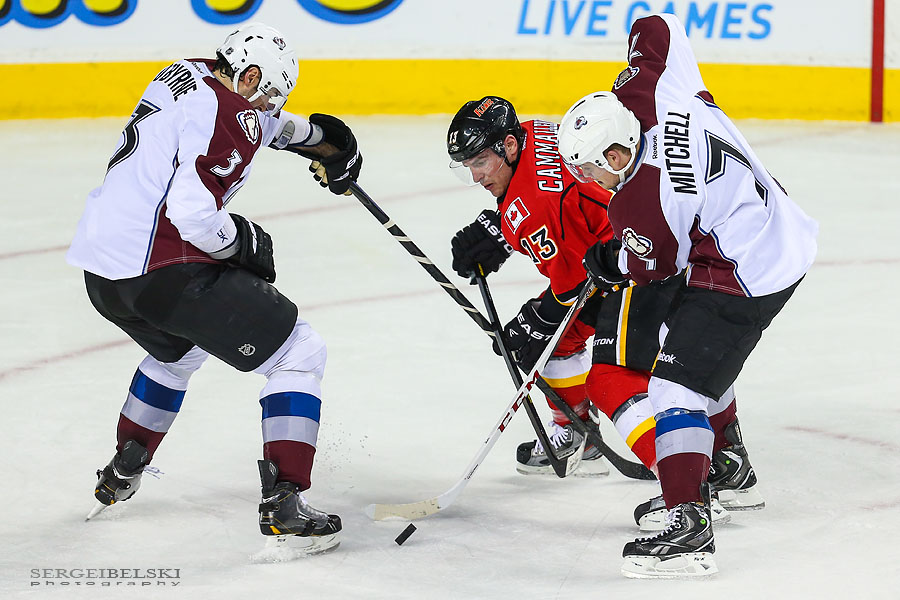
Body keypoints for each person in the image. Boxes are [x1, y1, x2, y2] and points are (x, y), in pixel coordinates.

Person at [66, 23, 363, 554]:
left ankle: (124, 465)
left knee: (178, 354)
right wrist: (241, 244)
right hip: (162, 269)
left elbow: (260, 122)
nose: (269, 104)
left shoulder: (186, 75)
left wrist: (322, 141)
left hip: (104, 277)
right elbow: (194, 216)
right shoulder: (229, 113)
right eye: (268, 90)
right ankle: (285, 504)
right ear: (248, 75)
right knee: (298, 350)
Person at [557, 13, 817, 578]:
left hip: (749, 269)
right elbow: (659, 26)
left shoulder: (643, 201)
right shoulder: (653, 89)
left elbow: (654, 267)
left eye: (590, 168)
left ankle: (689, 525)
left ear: (617, 156)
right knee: (687, 350)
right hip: (775, 224)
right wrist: (635, 56)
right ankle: (728, 468)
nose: (590, 179)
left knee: (674, 383)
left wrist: (608, 258)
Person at [446, 96, 673, 483]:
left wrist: (537, 321)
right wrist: (500, 228)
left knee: (547, 345)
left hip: (634, 269)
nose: (477, 176)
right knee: (551, 338)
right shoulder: (535, 132)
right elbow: (560, 196)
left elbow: (572, 285)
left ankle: (674, 475)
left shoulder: (535, 208)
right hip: (649, 241)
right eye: (468, 166)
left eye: (481, 161)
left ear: (509, 146)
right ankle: (580, 439)